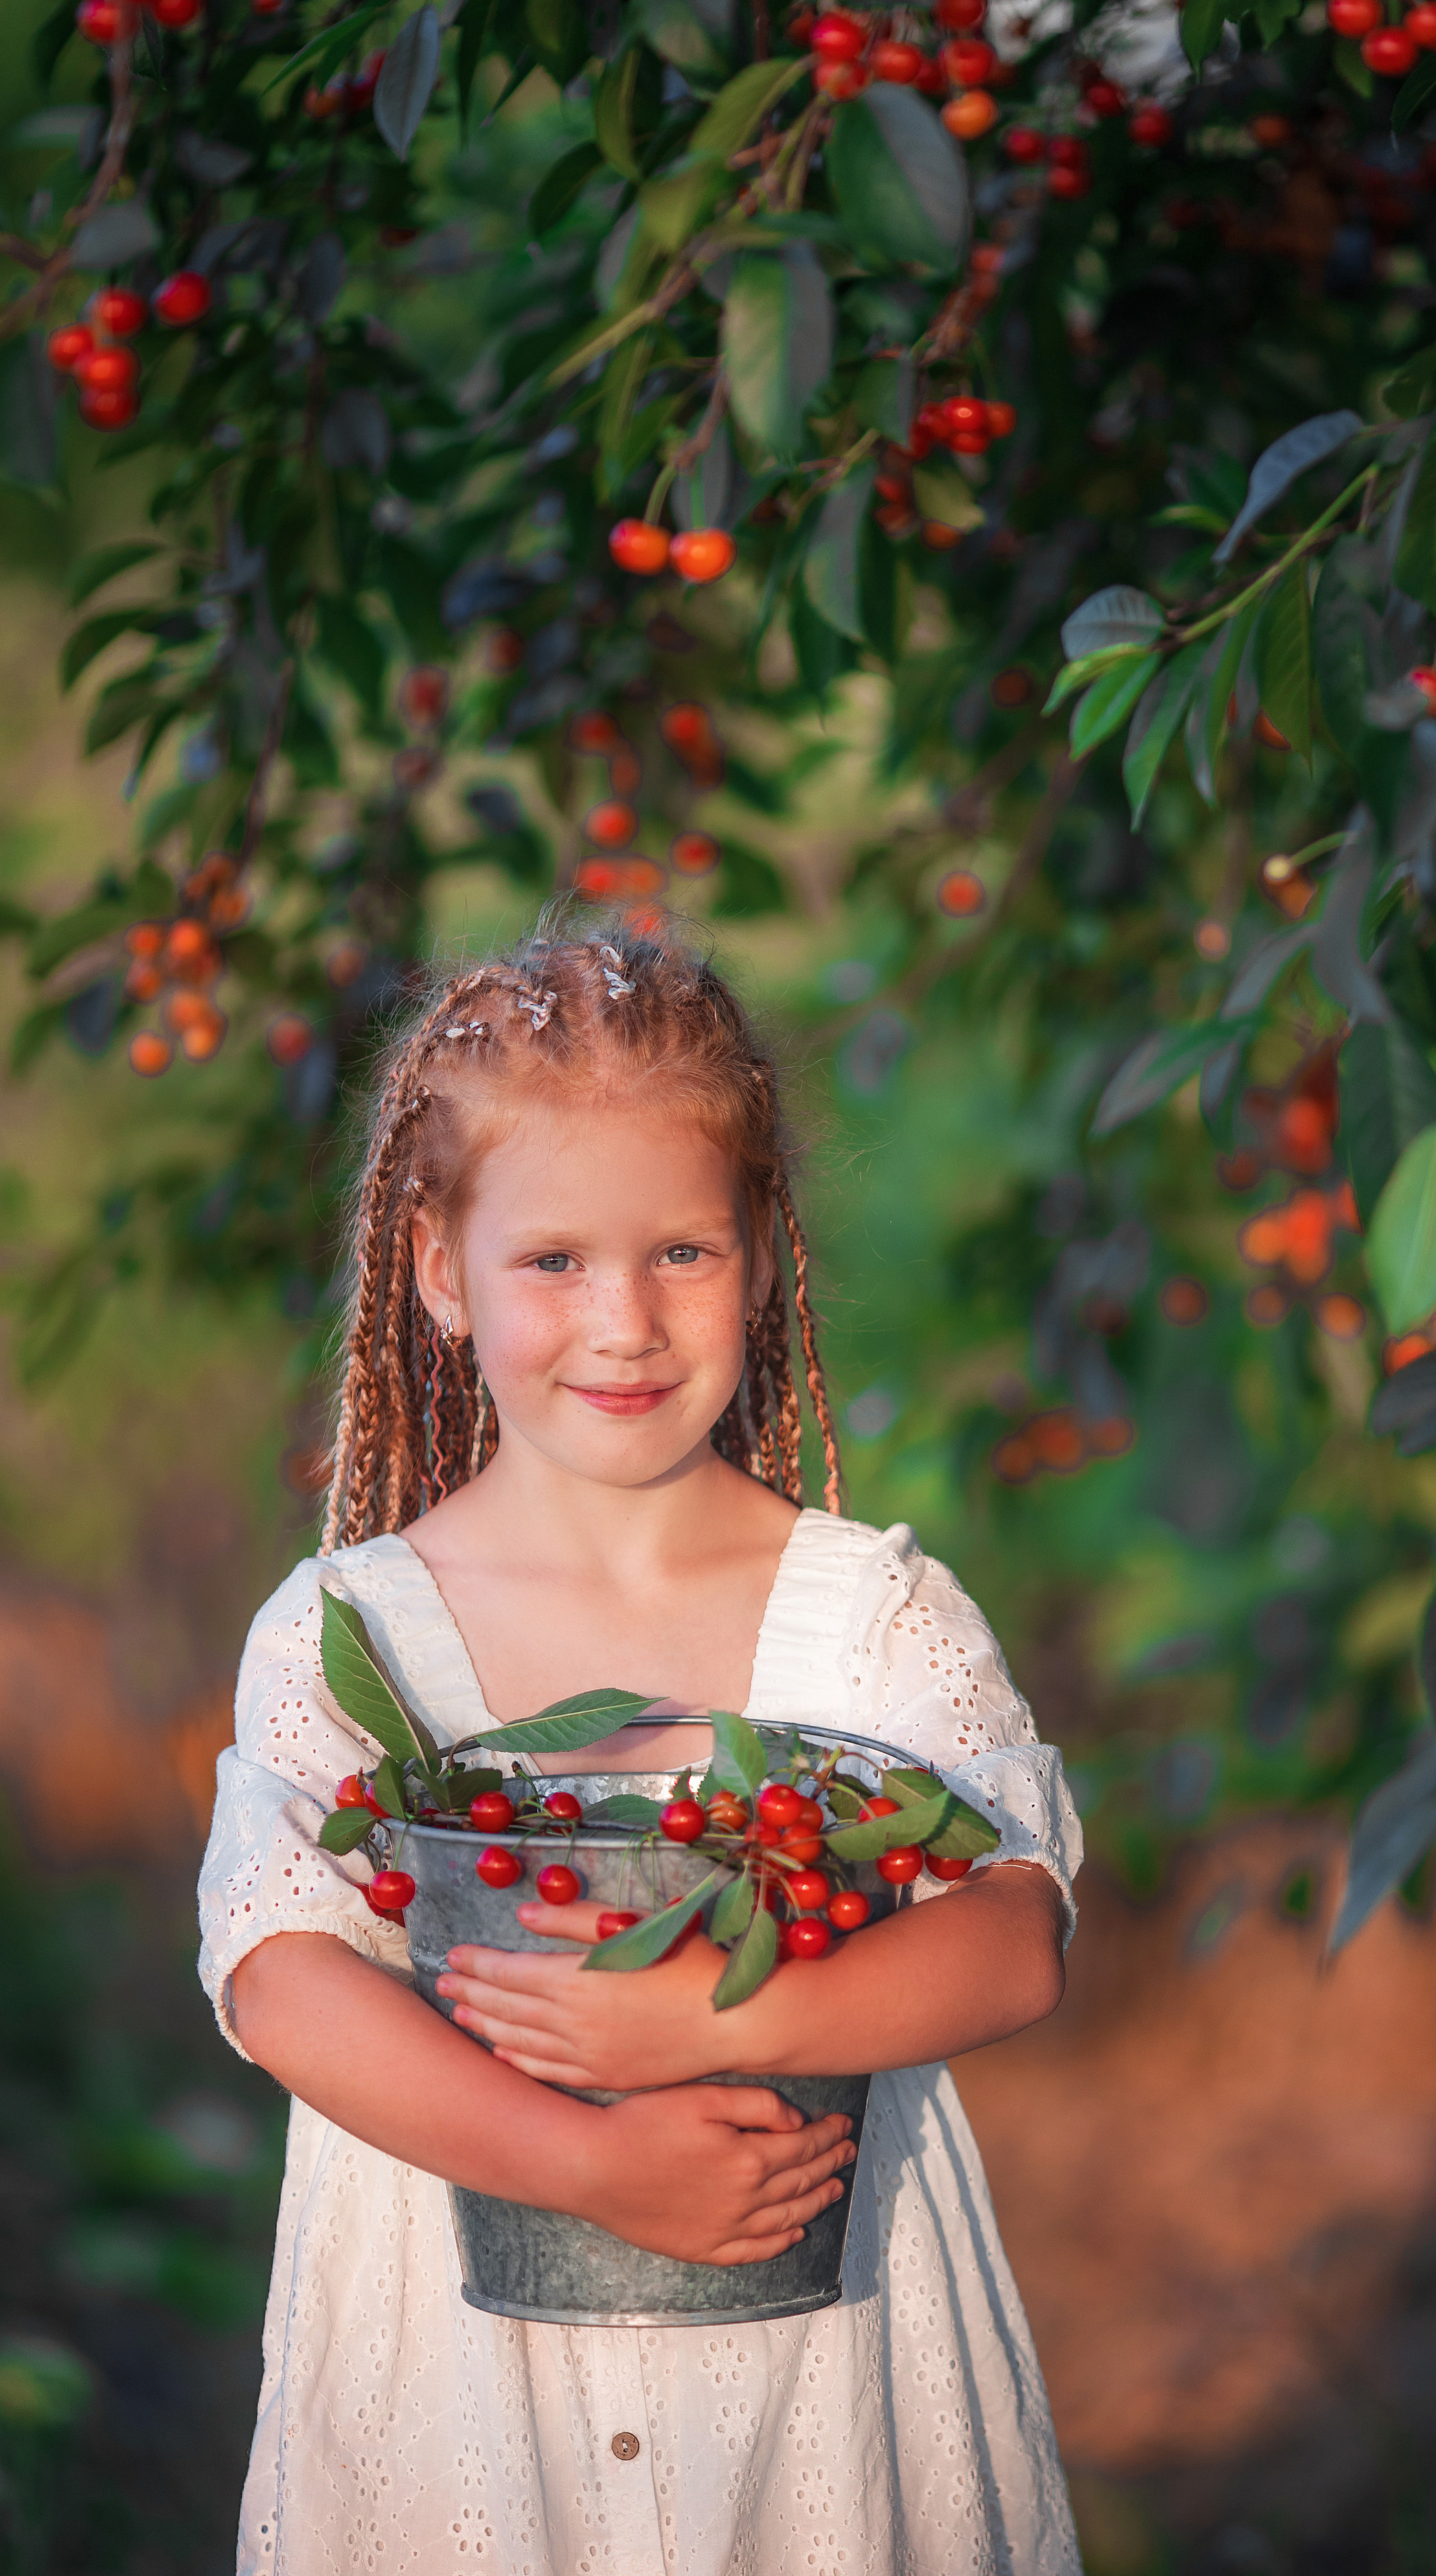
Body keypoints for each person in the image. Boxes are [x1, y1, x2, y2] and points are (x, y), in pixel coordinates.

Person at [198, 913, 1084, 2576]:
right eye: (554, 1262)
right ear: (440, 1272)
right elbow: (277, 1974)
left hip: (825, 2377)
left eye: (681, 1251)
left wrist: (724, 2014)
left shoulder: (871, 1619)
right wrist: (589, 2162)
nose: (625, 1322)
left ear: (758, 1253)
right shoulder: (354, 1637)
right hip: (465, 2388)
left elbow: (1014, 1929)